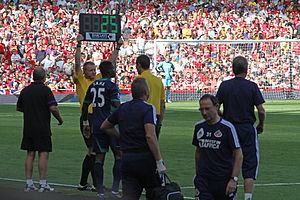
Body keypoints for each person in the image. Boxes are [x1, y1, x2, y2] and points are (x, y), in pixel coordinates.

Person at [101, 77, 166, 200]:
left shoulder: (122, 108)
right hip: (145, 158)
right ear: (147, 92)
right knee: (154, 193)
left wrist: (120, 136)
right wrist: (159, 161)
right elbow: (150, 135)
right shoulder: (148, 108)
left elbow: (105, 126)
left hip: (127, 158)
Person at [73, 34, 122, 192]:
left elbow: (111, 63)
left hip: (98, 117)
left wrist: (117, 48)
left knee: (94, 152)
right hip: (87, 118)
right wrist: (79, 45)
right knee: (93, 151)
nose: (93, 72)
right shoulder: (80, 79)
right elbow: (77, 64)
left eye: (94, 70)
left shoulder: (99, 80)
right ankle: (91, 184)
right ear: (84, 72)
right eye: (90, 70)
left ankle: (89, 183)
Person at [216, 56, 266, 200]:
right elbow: (261, 111)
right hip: (247, 129)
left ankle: (231, 195)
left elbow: (216, 106)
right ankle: (248, 198)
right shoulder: (252, 86)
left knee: (229, 161)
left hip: (229, 129)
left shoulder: (225, 85)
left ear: (233, 69)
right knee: (249, 165)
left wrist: (221, 118)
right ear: (246, 69)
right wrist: (261, 125)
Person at [16, 67, 64, 192]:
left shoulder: (25, 90)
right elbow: (53, 108)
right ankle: (42, 183)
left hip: (28, 126)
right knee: (43, 153)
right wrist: (60, 119)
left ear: (33, 77)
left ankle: (29, 182)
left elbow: (19, 107)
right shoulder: (46, 90)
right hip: (42, 127)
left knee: (30, 153)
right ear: (44, 78)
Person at [81, 60, 122, 200]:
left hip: (97, 125)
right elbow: (116, 105)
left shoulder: (93, 86)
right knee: (119, 155)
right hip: (110, 126)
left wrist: (86, 123)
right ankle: (115, 190)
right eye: (113, 68)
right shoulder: (112, 86)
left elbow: (85, 106)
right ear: (108, 71)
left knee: (99, 158)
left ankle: (100, 193)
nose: (115, 69)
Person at [193, 94, 243, 200]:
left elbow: (238, 154)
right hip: (203, 181)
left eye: (207, 109)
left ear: (217, 107)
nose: (204, 113)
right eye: (201, 109)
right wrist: (198, 174)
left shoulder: (227, 128)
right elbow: (198, 151)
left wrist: (233, 179)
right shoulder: (199, 127)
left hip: (223, 180)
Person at [136, 54, 165, 139]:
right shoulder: (158, 81)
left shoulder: (139, 79)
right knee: (153, 146)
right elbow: (162, 104)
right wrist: (160, 122)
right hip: (156, 116)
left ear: (139, 65)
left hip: (142, 116)